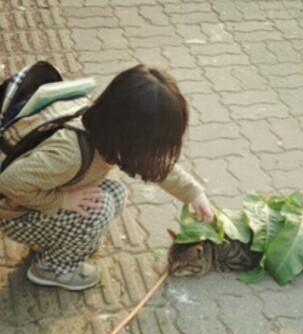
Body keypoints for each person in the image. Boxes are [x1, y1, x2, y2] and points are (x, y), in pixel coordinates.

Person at [0, 64, 214, 291]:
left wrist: (193, 194)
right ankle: (51, 269)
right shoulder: (69, 155)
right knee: (98, 210)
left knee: (115, 194)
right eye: (154, 146)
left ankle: (60, 244)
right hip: (14, 214)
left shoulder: (105, 128)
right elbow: (8, 183)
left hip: (39, 192)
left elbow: (155, 166)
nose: (155, 153)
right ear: (132, 138)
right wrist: (60, 201)